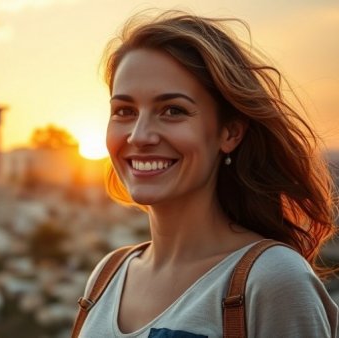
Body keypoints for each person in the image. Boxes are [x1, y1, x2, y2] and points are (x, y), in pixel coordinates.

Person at [78, 10, 339, 338]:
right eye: (125, 111)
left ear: (229, 133)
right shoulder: (107, 275)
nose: (139, 136)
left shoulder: (273, 280)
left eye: (173, 110)